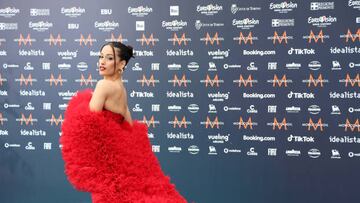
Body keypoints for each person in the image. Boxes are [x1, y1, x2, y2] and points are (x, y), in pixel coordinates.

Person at [60, 42, 188, 203]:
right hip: (120, 159)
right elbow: (128, 124)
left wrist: (77, 107)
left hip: (110, 162)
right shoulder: (121, 88)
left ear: (121, 64)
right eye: (100, 57)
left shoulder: (103, 85)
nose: (102, 62)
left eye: (109, 58)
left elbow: (87, 123)